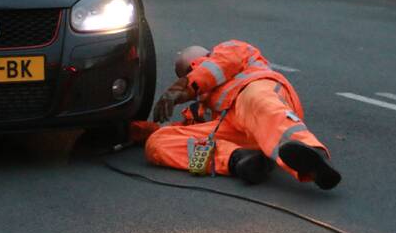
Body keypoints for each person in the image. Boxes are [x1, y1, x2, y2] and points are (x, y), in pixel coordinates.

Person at [131, 40, 341, 189]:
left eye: (190, 69)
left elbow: (214, 69)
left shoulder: (231, 50)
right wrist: (150, 131)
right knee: (158, 143)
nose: (191, 74)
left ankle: (316, 159)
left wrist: (183, 87)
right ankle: (240, 160)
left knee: (258, 103)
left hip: (253, 93)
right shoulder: (198, 107)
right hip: (233, 131)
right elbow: (186, 133)